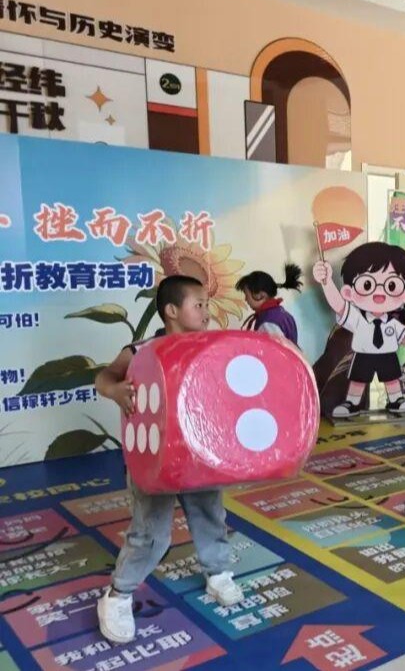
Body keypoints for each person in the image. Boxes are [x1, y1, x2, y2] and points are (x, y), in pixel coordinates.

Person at [94, 275, 244, 644]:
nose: (207, 313)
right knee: (150, 531)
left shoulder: (212, 346)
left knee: (210, 514)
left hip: (200, 455)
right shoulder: (142, 350)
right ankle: (118, 594)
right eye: (199, 305)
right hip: (153, 459)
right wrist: (115, 390)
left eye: (207, 305)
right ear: (172, 311)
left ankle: (217, 572)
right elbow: (104, 377)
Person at [312, 243, 405, 417]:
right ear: (349, 292)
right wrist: (326, 282)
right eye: (367, 284)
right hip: (363, 355)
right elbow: (339, 305)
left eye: (391, 285)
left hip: (387, 355)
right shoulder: (357, 318)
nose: (379, 293)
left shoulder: (393, 323)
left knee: (392, 378)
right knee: (358, 380)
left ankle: (396, 399)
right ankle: (352, 403)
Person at [236, 263, 303, 345]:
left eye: (246, 295)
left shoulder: (267, 322)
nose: (246, 299)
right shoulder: (283, 314)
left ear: (260, 295)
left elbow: (273, 350)